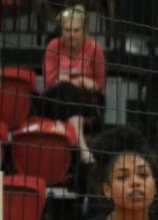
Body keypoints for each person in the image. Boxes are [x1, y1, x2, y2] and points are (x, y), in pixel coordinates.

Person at [42, 4, 106, 163]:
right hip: (55, 99)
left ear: (84, 30)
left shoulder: (94, 48)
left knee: (68, 89)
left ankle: (71, 145)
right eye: (67, 31)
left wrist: (76, 81)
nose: (71, 35)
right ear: (61, 31)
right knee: (65, 89)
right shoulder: (53, 46)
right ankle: (82, 147)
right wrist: (81, 81)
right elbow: (51, 81)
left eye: (76, 30)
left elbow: (99, 84)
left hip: (85, 102)